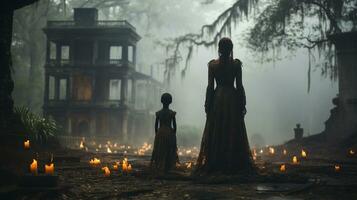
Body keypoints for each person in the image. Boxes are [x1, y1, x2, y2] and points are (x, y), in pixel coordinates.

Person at [195, 37, 254, 174]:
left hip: (218, 98)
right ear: (231, 49)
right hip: (232, 98)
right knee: (231, 127)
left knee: (218, 128)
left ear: (219, 49)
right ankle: (232, 162)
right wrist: (242, 103)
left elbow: (210, 87)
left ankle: (216, 161)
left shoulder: (213, 65)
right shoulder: (236, 65)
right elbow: (239, 86)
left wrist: (207, 103)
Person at [151, 93, 179, 172]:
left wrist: (157, 133)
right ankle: (168, 165)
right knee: (169, 149)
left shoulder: (158, 113)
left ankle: (159, 165)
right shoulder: (172, 113)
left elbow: (156, 125)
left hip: (160, 132)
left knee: (160, 149)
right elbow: (175, 126)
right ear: (170, 101)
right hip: (169, 132)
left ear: (161, 101)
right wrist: (173, 134)